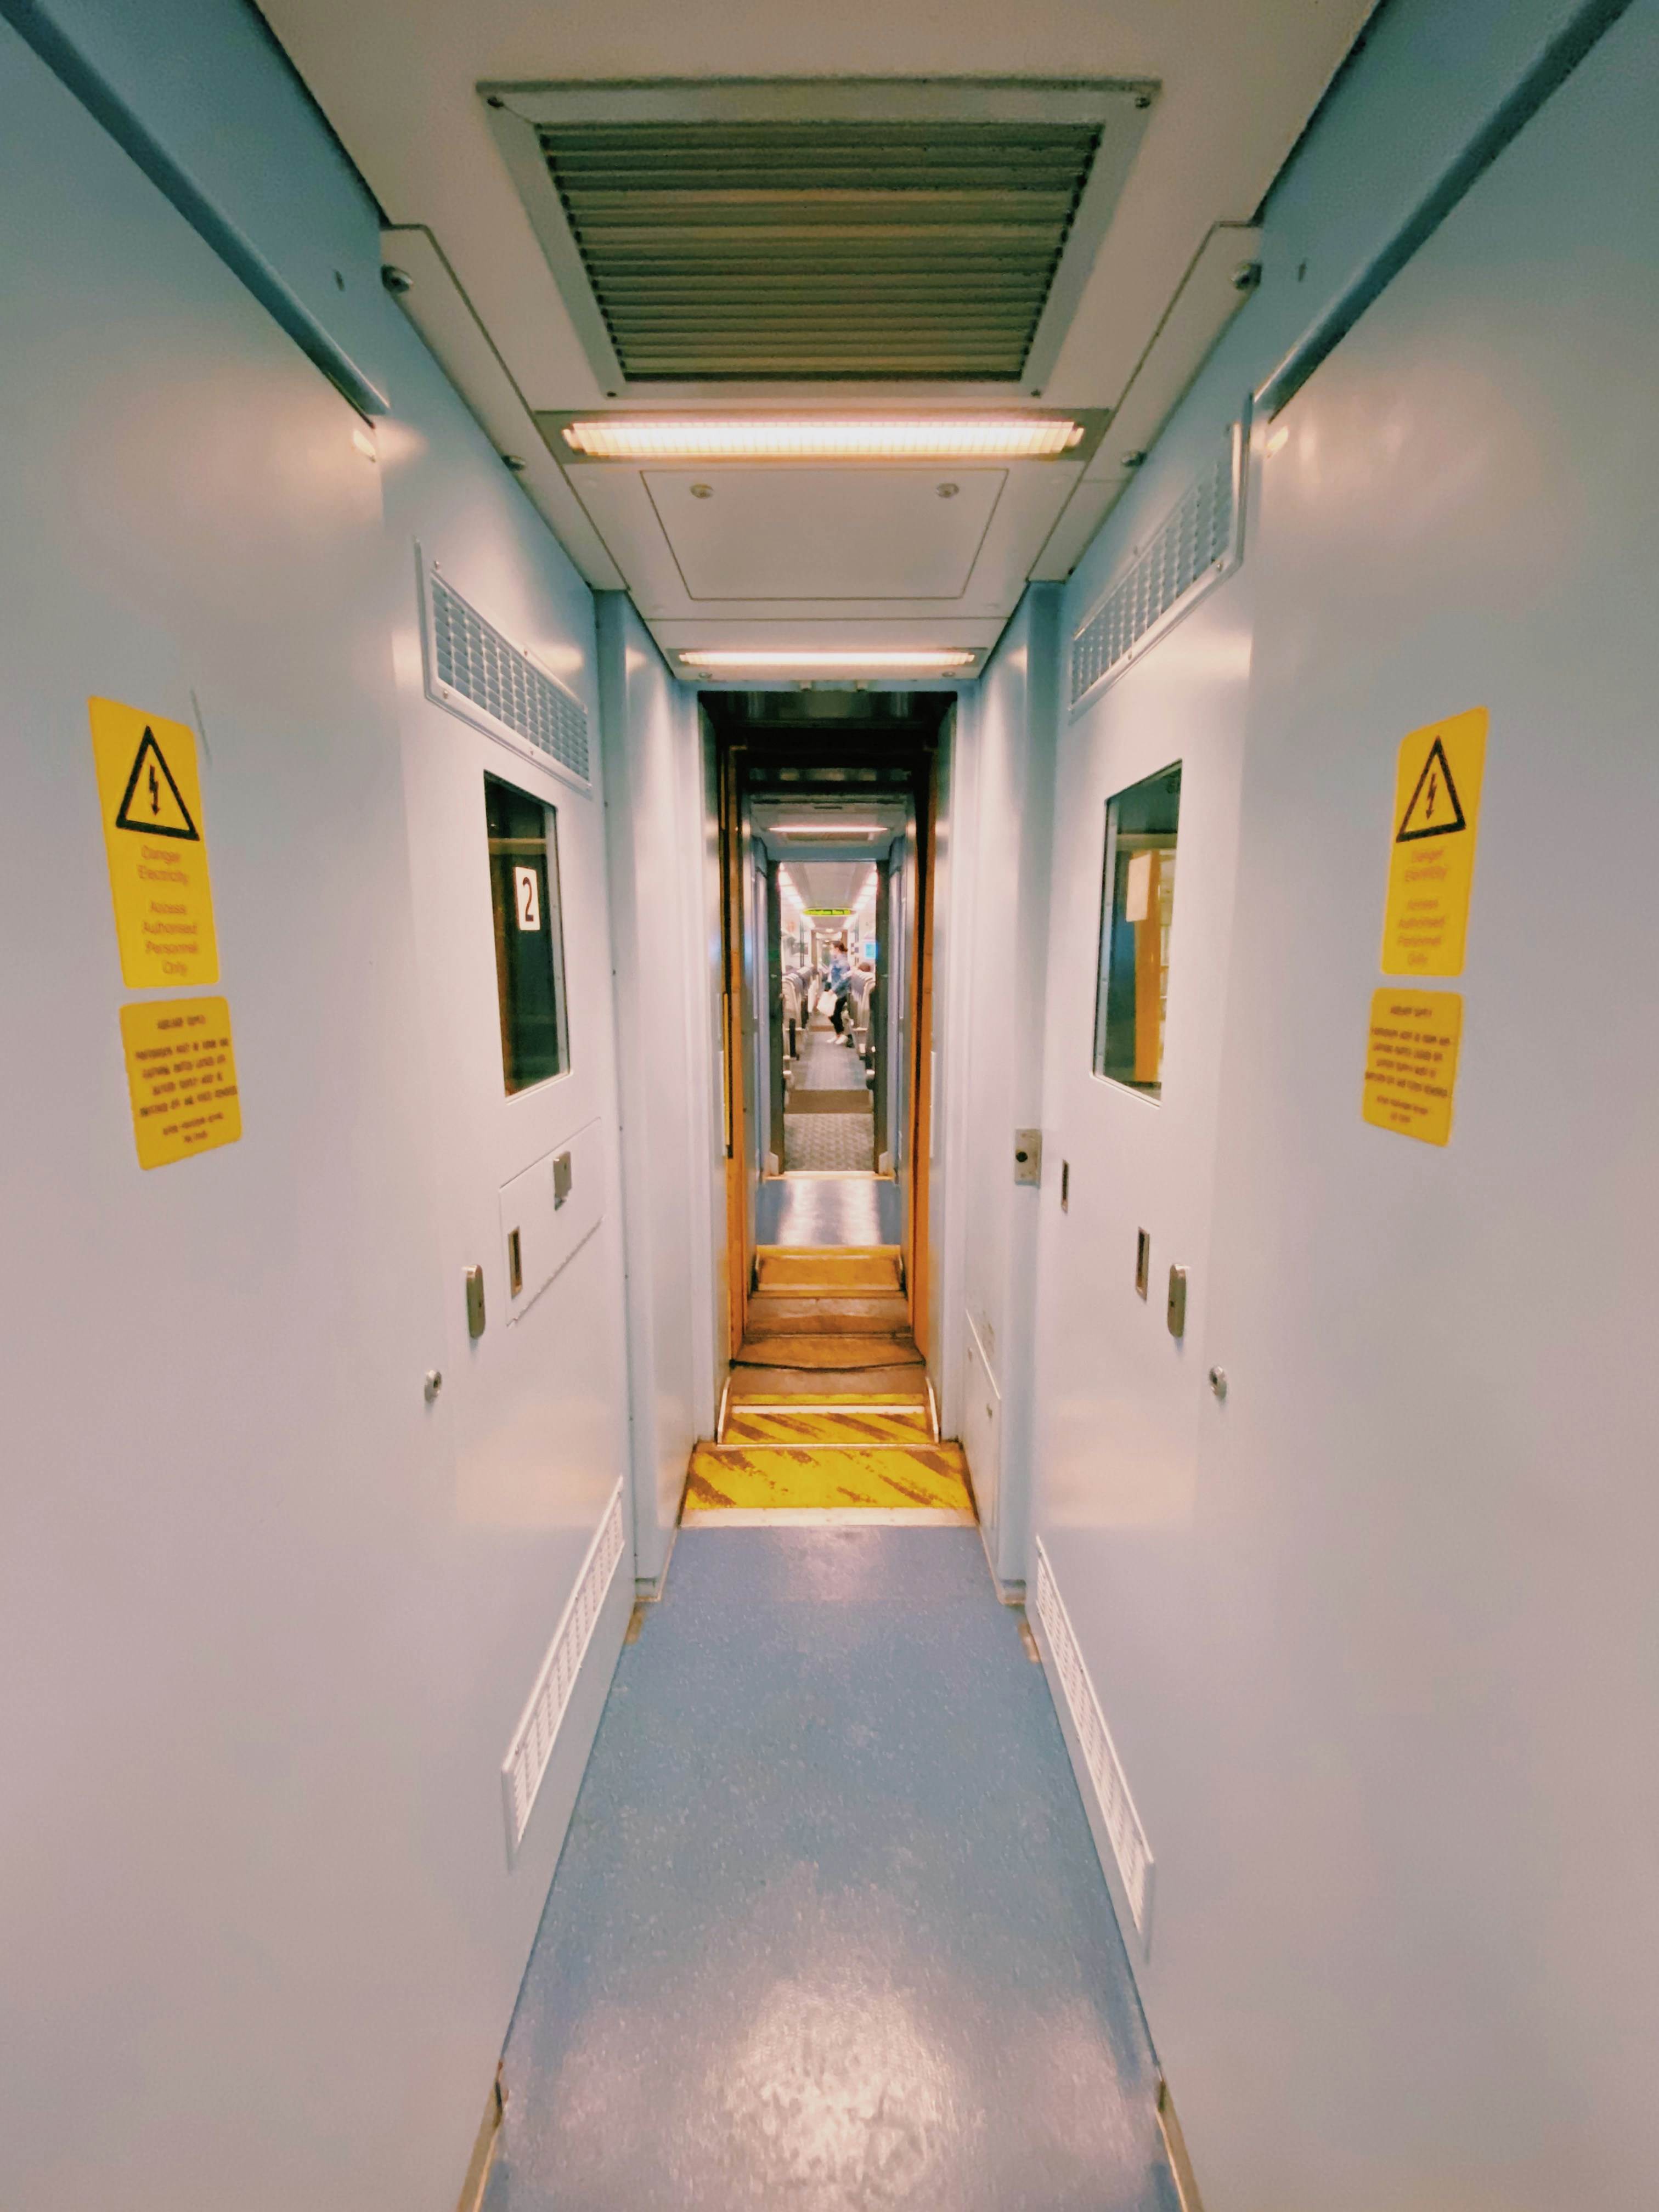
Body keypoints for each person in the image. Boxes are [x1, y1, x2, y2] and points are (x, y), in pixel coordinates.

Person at [828, 940, 853, 1040]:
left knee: (833, 1013)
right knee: (832, 1013)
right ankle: (839, 1034)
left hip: (841, 992)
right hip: (836, 991)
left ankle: (841, 1034)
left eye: (831, 948)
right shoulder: (835, 961)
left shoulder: (843, 963)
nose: (830, 951)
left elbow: (844, 979)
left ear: (837, 949)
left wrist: (833, 989)